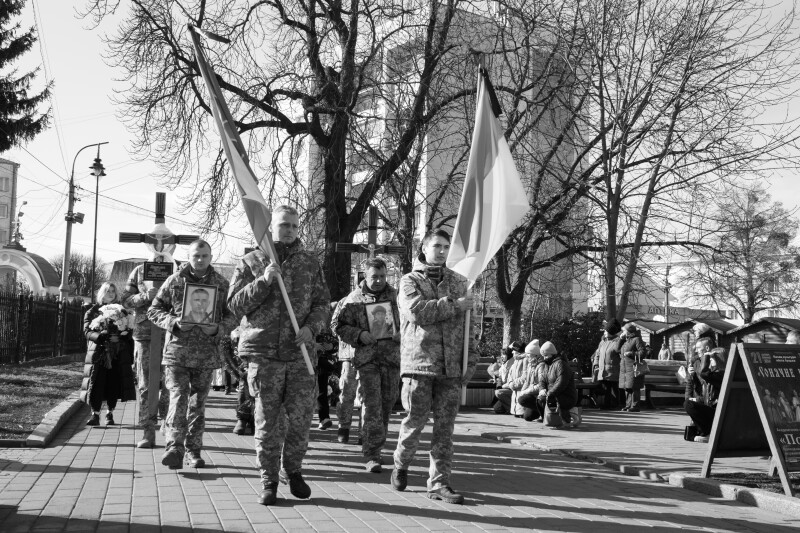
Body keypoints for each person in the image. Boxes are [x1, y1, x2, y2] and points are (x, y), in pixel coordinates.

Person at [227, 205, 331, 506]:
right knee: (267, 421)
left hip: (300, 353)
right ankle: (269, 479)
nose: (289, 231)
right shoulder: (250, 262)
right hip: (264, 354)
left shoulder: (309, 263)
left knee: (300, 419)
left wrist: (312, 327)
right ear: (271, 227)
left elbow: (323, 303)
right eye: (284, 225)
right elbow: (234, 306)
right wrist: (264, 281)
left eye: (294, 226)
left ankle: (293, 470)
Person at [390, 228, 477, 505]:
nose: (441, 251)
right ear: (424, 248)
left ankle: (439, 483)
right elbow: (416, 313)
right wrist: (455, 305)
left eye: (445, 247)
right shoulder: (409, 281)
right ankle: (401, 464)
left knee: (444, 430)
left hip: (451, 369)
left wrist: (470, 360)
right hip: (420, 366)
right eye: (436, 246)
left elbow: (469, 327)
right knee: (414, 423)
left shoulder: (460, 283)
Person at [148, 239, 233, 469]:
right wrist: (173, 322)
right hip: (178, 353)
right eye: (196, 255)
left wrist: (218, 328)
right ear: (189, 256)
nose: (200, 260)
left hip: (206, 355)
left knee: (198, 404)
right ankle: (174, 446)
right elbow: (153, 310)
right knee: (178, 397)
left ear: (211, 257)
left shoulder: (222, 284)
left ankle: (193, 450)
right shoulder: (175, 280)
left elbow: (232, 316)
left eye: (204, 256)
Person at [332, 257, 401, 472]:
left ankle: (377, 446)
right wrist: (359, 334)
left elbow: (410, 321)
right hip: (367, 359)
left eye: (382, 276)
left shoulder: (397, 296)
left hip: (391, 359)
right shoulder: (353, 299)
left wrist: (402, 334)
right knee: (372, 406)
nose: (379, 281)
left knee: (386, 406)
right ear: (365, 275)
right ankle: (372, 454)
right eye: (374, 277)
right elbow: (337, 325)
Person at [121, 262, 169, 448]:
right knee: (145, 383)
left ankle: (168, 424)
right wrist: (143, 297)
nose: (160, 245)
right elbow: (125, 299)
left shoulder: (180, 268)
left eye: (165, 241)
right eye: (156, 241)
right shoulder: (139, 270)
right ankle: (148, 430)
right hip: (145, 333)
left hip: (172, 332)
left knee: (171, 384)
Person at [81, 282, 137, 426]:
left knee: (114, 382)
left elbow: (129, 328)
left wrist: (121, 336)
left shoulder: (122, 311)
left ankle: (110, 414)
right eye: (107, 291)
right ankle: (95, 414)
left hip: (117, 353)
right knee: (97, 382)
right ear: (102, 293)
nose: (111, 294)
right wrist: (102, 336)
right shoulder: (93, 311)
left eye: (113, 291)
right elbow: (87, 331)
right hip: (99, 352)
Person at [684, 336, 726, 442]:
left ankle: (708, 432)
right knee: (689, 404)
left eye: (711, 359)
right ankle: (705, 431)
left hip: (719, 410)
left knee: (689, 405)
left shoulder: (720, 374)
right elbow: (708, 393)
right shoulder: (713, 371)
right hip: (710, 404)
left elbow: (704, 374)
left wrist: (706, 358)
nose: (696, 350)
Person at [536, 341, 579, 428]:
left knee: (544, 399)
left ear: (553, 354)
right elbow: (542, 380)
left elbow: (561, 383)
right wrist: (542, 389)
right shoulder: (546, 365)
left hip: (566, 395)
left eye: (547, 355)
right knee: (540, 399)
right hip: (553, 394)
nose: (544, 358)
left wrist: (550, 393)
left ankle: (565, 417)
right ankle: (550, 419)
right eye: (543, 356)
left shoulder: (561, 364)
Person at [315, 301, 340, 431]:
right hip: (305, 361)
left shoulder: (331, 326)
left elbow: (336, 342)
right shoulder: (312, 320)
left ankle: (324, 418)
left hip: (323, 363)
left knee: (322, 391)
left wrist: (331, 346)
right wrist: (313, 345)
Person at [593, 319, 624, 409]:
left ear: (611, 332)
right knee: (605, 388)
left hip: (613, 370)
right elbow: (597, 354)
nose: (604, 332)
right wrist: (596, 364)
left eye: (606, 330)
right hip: (603, 370)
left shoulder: (617, 342)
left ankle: (614, 405)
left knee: (613, 388)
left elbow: (620, 354)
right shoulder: (602, 342)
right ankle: (606, 405)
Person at [619, 323, 648, 412]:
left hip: (633, 367)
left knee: (634, 387)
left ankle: (635, 406)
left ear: (628, 331)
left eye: (624, 330)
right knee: (627, 387)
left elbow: (643, 353)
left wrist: (631, 353)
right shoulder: (625, 340)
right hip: (625, 367)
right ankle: (628, 405)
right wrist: (620, 339)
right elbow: (617, 349)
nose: (622, 332)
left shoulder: (637, 339)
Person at [516, 340, 546, 422]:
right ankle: (540, 412)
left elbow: (541, 385)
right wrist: (523, 391)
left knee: (523, 399)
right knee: (528, 417)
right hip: (533, 393)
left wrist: (526, 392)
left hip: (539, 394)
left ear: (535, 355)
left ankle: (545, 413)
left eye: (529, 356)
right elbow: (527, 381)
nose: (527, 358)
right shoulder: (530, 365)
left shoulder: (541, 365)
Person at [493, 341, 525, 415]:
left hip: (512, 388)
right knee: (497, 408)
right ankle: (512, 408)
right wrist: (498, 382)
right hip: (508, 387)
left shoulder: (512, 363)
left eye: (504, 354)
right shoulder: (505, 364)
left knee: (498, 392)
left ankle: (514, 409)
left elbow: (513, 380)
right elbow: (500, 376)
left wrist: (502, 386)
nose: (502, 356)